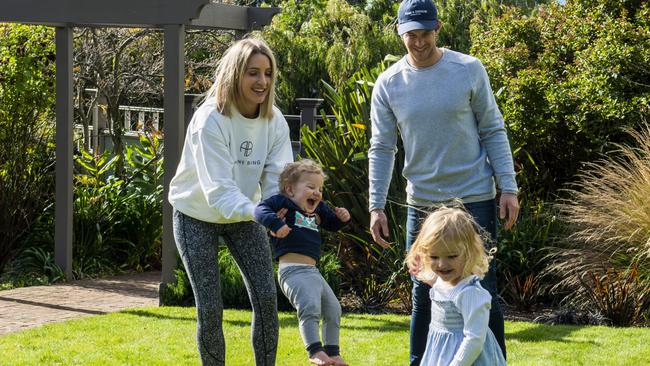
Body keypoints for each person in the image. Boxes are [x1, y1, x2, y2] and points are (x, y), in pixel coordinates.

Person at [368, 0, 520, 364]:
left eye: (425, 34)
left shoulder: (468, 69)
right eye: (410, 36)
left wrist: (508, 187)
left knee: (482, 288)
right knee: (423, 292)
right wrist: (376, 205)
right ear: (400, 33)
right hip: (422, 201)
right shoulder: (389, 83)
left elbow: (493, 128)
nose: (418, 43)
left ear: (437, 28)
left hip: (475, 197)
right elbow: (382, 147)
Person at [168, 37, 293, 366]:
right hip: (196, 214)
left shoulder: (274, 120)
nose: (262, 81)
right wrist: (261, 213)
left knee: (267, 298)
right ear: (235, 74)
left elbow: (277, 176)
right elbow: (218, 192)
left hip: (246, 216)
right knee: (210, 307)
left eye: (267, 73)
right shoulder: (210, 120)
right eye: (253, 73)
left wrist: (276, 207)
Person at [254, 159, 350, 366]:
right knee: (310, 307)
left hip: (313, 272)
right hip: (292, 271)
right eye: (310, 187)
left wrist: (342, 218)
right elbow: (260, 210)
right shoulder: (282, 203)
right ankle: (315, 350)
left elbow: (332, 224)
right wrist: (276, 223)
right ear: (290, 190)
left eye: (320, 188)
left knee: (333, 308)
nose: (317, 192)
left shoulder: (319, 209)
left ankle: (332, 352)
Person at [405, 206, 506, 366]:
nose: (442, 264)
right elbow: (435, 283)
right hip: (441, 354)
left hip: (467, 359)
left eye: (451, 256)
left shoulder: (470, 293)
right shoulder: (443, 282)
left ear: (469, 253)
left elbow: (474, 339)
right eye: (434, 256)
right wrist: (420, 271)